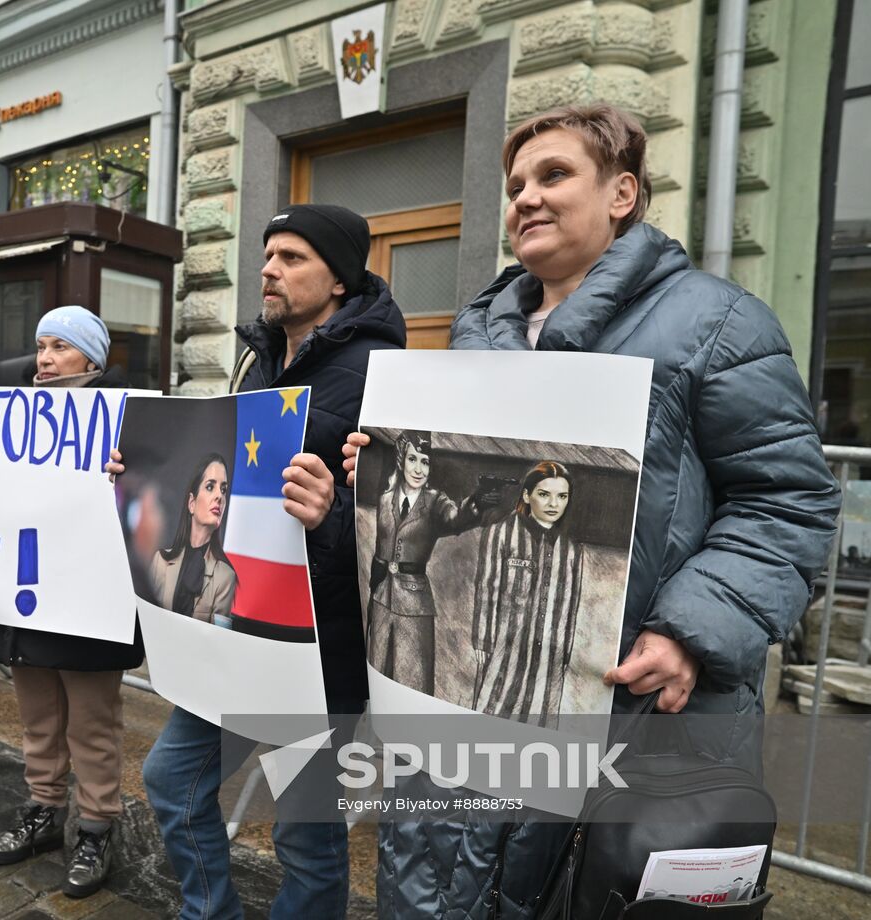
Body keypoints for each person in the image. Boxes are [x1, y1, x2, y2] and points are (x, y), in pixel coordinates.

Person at [343, 104, 840, 919]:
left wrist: (690, 630)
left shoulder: (715, 324)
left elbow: (787, 499)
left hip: (635, 717)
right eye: (514, 186)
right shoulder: (478, 335)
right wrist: (379, 475)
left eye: (553, 175)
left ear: (622, 194)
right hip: (480, 701)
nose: (526, 199)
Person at [111, 204, 407, 918]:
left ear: (338, 279)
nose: (269, 269)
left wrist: (333, 510)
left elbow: (400, 519)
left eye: (291, 257)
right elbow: (219, 462)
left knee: (305, 833)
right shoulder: (258, 356)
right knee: (172, 780)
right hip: (237, 626)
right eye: (268, 254)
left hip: (321, 644)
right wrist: (142, 464)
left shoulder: (382, 374)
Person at [0, 305, 142, 899]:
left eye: (60, 347)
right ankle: (44, 813)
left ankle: (98, 828)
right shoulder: (9, 416)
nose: (45, 359)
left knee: (93, 724)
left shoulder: (129, 419)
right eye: (41, 346)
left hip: (87, 600)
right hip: (26, 597)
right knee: (38, 719)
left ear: (92, 360)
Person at [366, 431, 493, 693]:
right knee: (377, 671)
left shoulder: (435, 501)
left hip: (414, 604)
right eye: (413, 459)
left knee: (412, 679)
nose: (419, 469)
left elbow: (455, 518)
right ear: (401, 461)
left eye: (425, 462)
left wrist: (477, 501)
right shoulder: (385, 499)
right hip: (380, 598)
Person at [469, 460, 582, 727]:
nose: (553, 503)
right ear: (527, 495)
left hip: (548, 656)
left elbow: (570, 606)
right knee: (493, 712)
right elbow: (487, 587)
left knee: (538, 720)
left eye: (562, 496)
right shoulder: (501, 534)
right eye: (544, 494)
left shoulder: (571, 551)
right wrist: (483, 641)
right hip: (506, 647)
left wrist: (563, 654)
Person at [147, 453, 238, 626]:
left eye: (224, 489)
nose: (220, 496)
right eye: (210, 487)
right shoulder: (160, 561)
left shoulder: (226, 577)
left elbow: (218, 644)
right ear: (192, 503)